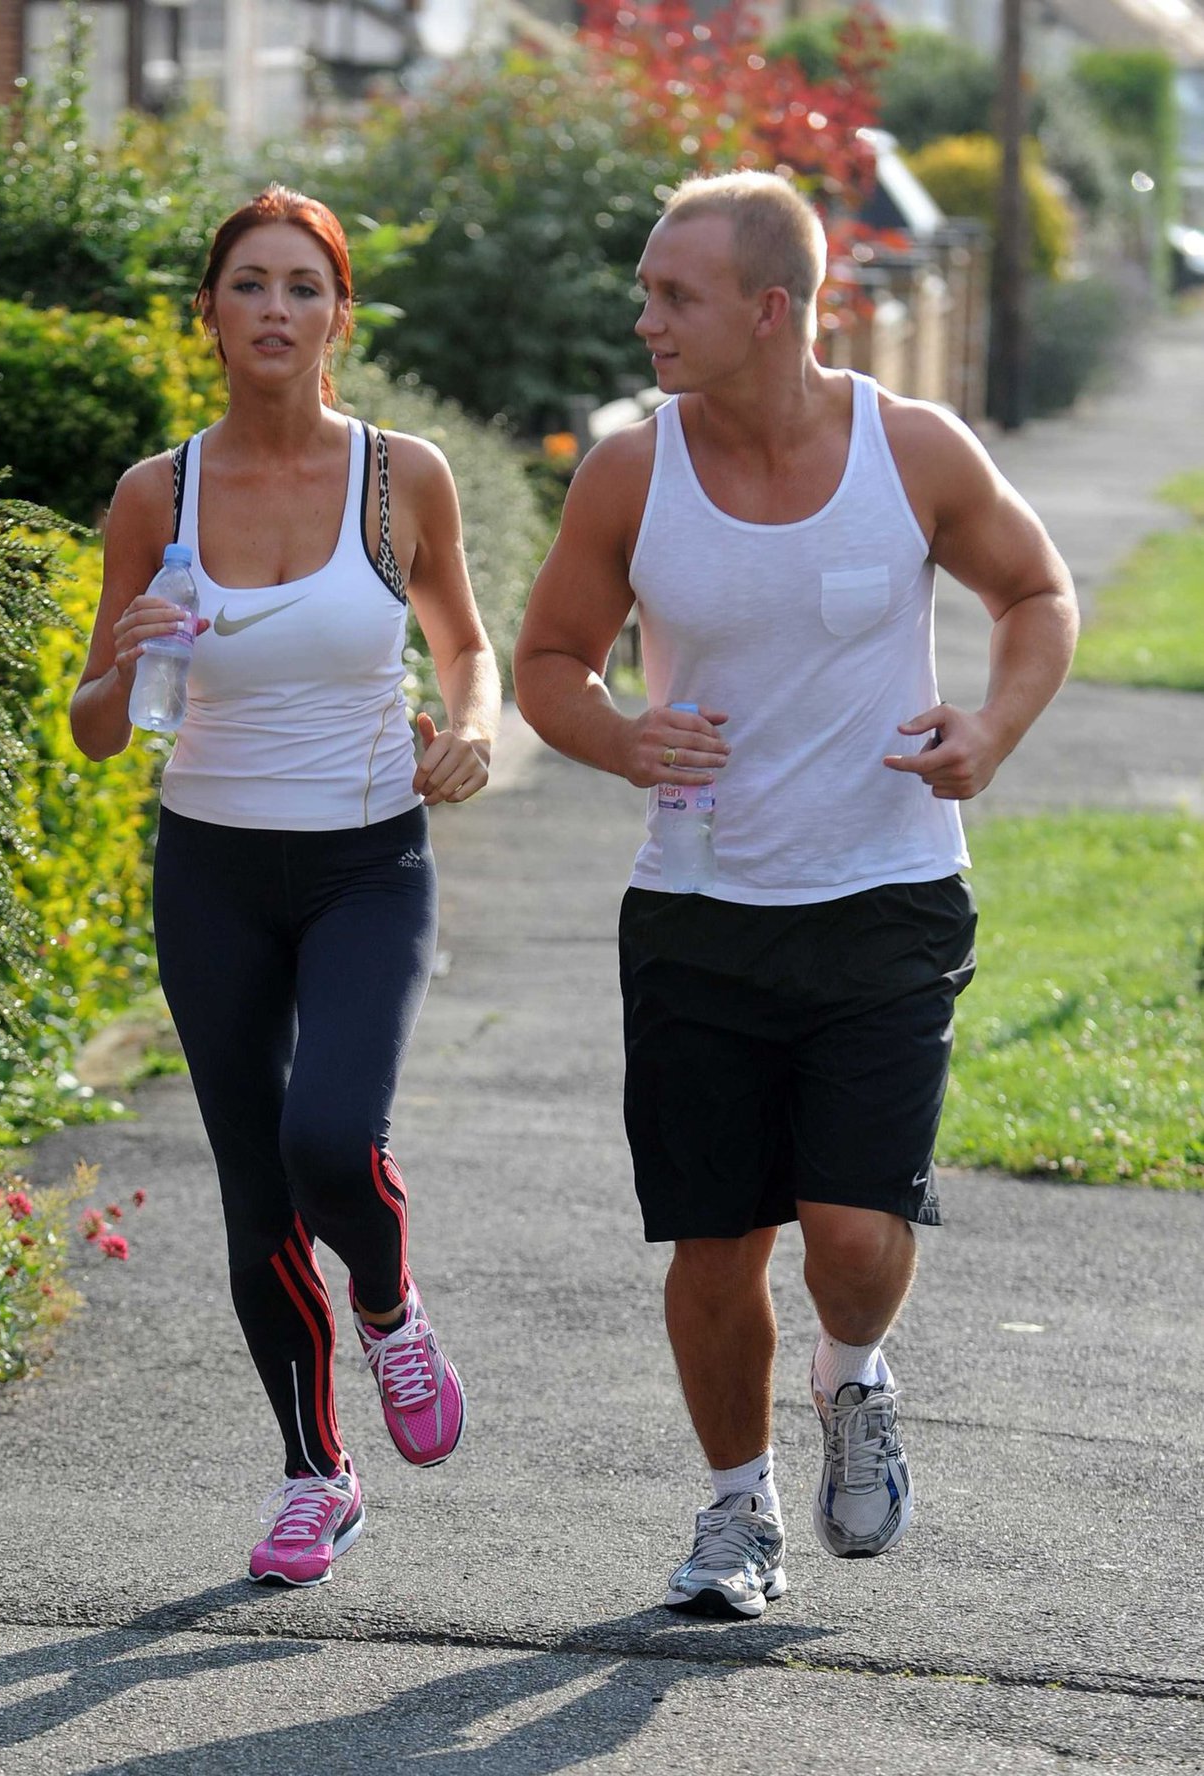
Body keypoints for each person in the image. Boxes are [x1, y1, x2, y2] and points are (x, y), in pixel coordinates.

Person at [513, 170, 1078, 1619]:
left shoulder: (916, 451)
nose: (646, 320)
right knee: (717, 1244)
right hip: (700, 911)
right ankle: (732, 1512)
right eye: (647, 291)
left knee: (851, 1238)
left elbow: (1037, 593)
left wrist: (992, 730)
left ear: (770, 311)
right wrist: (623, 736)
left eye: (673, 296)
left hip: (887, 897)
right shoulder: (631, 472)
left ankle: (854, 1369)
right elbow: (551, 663)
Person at [71, 185, 500, 1588]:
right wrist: (124, 663)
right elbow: (91, 723)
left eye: (302, 287)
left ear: (339, 317)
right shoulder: (157, 493)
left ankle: (388, 1301)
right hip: (211, 868)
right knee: (258, 1193)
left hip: (369, 858)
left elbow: (466, 650)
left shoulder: (400, 476)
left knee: (331, 1136)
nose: (275, 309)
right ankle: (317, 1472)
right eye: (248, 284)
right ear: (209, 314)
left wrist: (475, 731)